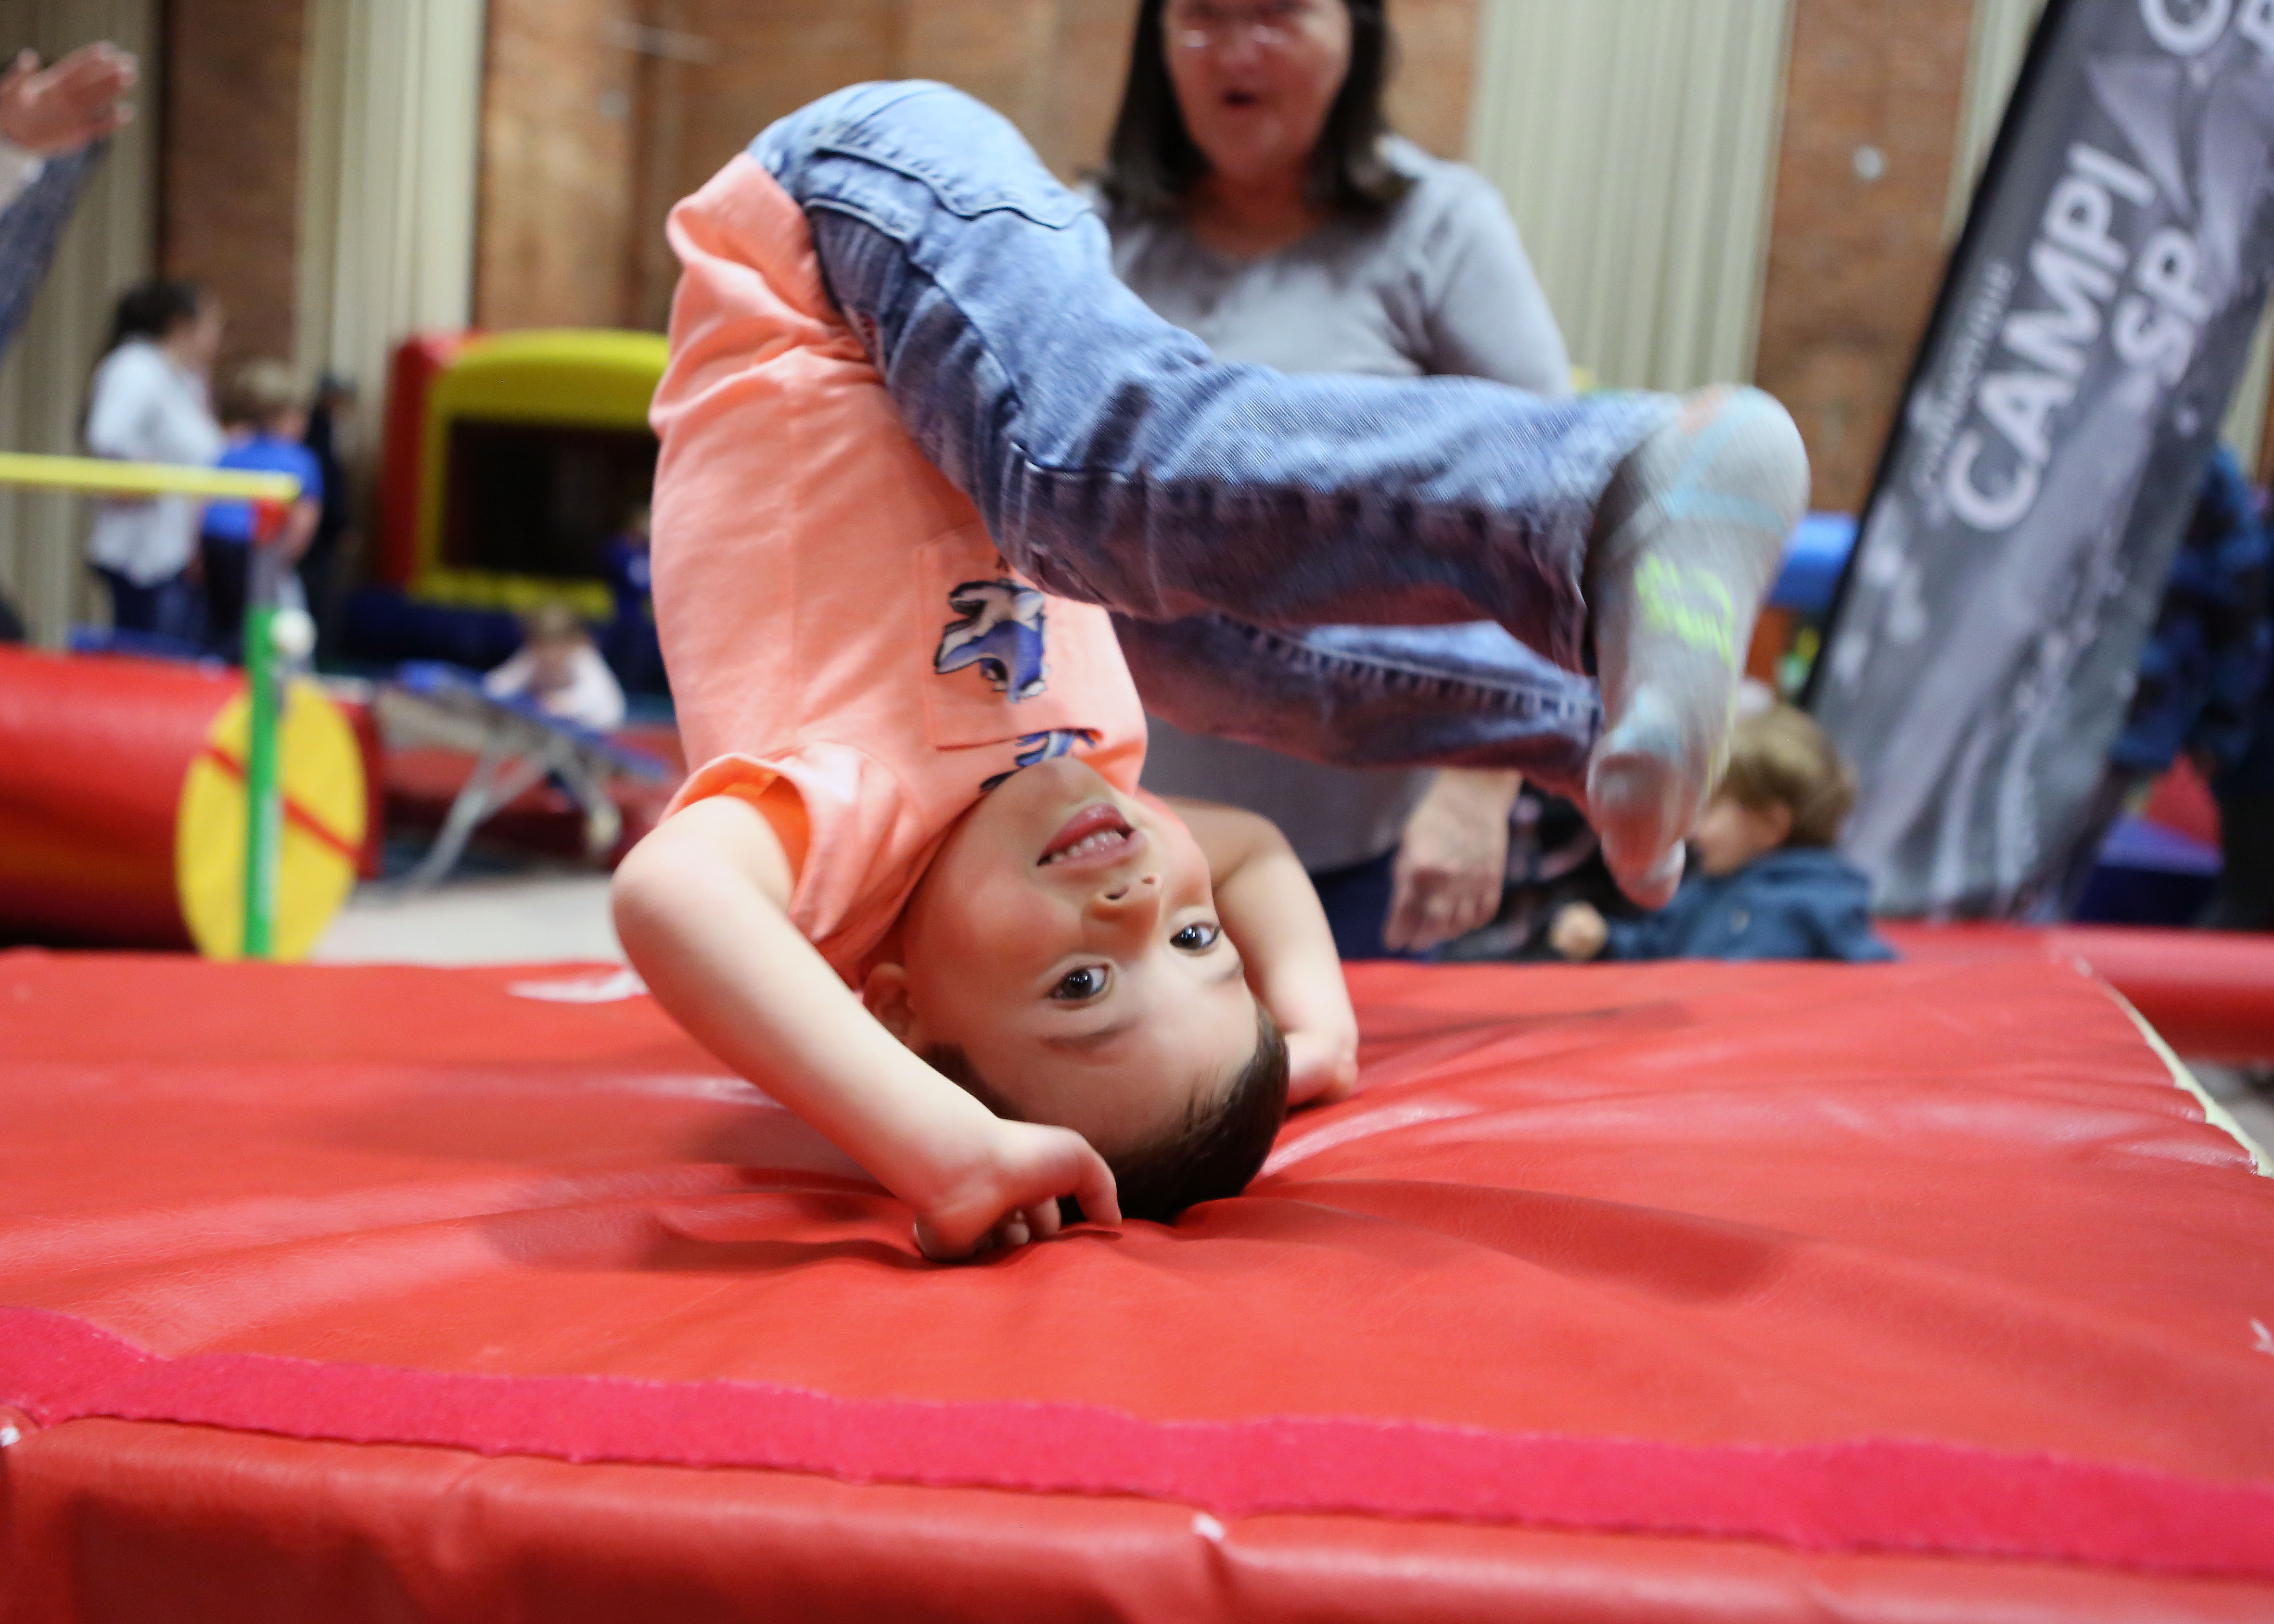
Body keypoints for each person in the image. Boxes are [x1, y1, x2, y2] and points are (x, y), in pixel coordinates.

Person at [612, 83, 1806, 1262]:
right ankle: (1594, 678)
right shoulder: (1075, 787)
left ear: (897, 1006)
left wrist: (939, 1145)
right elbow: (1246, 852)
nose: (1141, 906)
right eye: (1194, 944)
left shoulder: (839, 842)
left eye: (1082, 982)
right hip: (939, 352)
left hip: (833, 240)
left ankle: (1602, 520)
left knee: (1090, 497)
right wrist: (1313, 1019)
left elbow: (670, 897)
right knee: (1241, 662)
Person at [1094, 0, 1572, 960]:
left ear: (1353, 34)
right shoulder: (1091, 239)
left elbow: (1552, 511)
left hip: (1372, 849)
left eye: (1275, 14)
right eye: (1202, 17)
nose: (1237, 50)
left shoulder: (1438, 230)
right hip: (1129, 841)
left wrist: (1480, 781)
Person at [1548, 705, 1892, 964]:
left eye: (1710, 809)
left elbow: (1870, 992)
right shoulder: (1703, 895)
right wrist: (1605, 941)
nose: (1693, 830)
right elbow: (1653, 946)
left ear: (1769, 825)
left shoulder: (1822, 906)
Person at [82, 278, 225, 641]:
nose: (218, 338)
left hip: (179, 548)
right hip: (145, 554)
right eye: (212, 325)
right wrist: (144, 481)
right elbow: (108, 437)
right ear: (181, 325)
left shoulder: (184, 377)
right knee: (151, 656)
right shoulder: (135, 368)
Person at [199, 359, 323, 659]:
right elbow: (305, 518)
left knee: (224, 622)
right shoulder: (299, 459)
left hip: (217, 544)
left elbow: (204, 502)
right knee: (270, 619)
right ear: (285, 417)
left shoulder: (232, 448)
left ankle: (223, 665)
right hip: (258, 550)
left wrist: (197, 555)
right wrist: (283, 559)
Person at [484, 603, 627, 735]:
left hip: (592, 739)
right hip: (546, 736)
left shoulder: (584, 658)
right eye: (543, 647)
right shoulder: (531, 659)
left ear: (576, 642)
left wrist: (561, 704)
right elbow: (494, 686)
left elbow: (609, 708)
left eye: (557, 647)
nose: (550, 656)